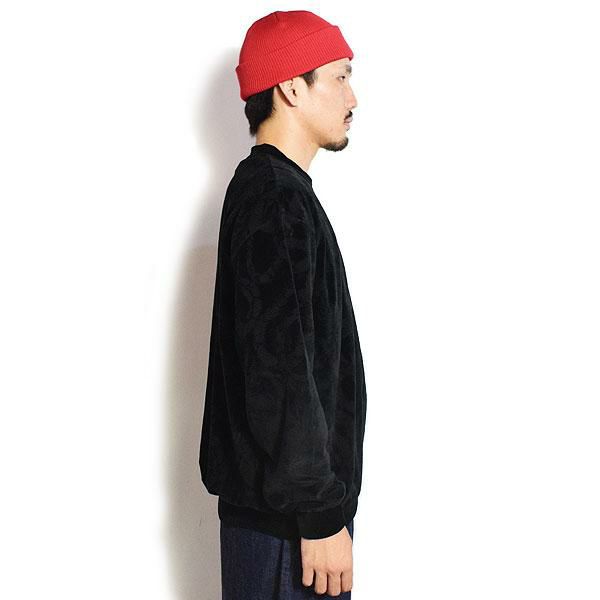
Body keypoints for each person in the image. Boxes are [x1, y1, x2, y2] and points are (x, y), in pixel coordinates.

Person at [199, 9, 367, 598]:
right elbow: (280, 373)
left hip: (292, 519)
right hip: (289, 529)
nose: (353, 97)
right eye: (340, 77)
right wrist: (319, 515)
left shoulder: (280, 193)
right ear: (292, 87)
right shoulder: (273, 197)